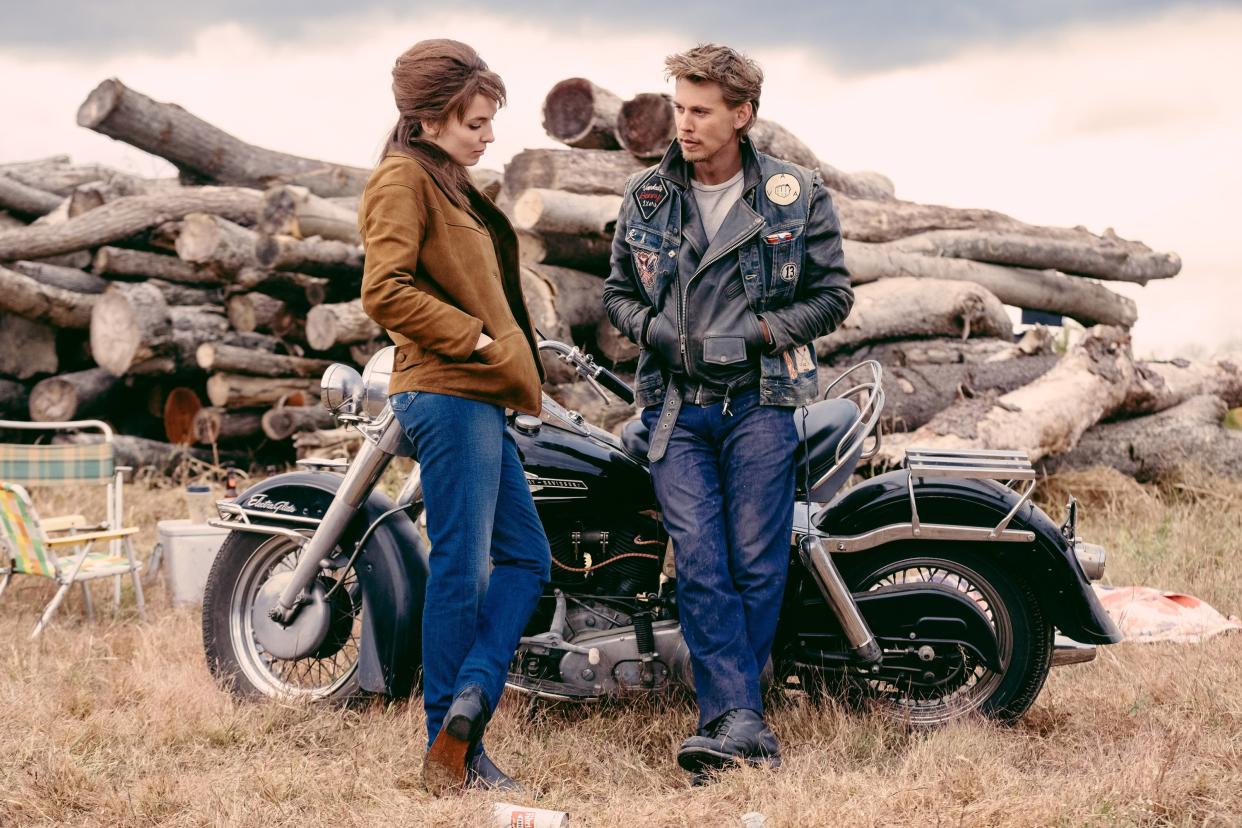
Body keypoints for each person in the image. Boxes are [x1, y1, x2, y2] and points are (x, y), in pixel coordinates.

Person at [602, 43, 854, 780]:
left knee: (755, 562)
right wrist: (657, 334)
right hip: (675, 407)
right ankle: (738, 720)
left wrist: (760, 333)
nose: (684, 123)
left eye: (701, 110)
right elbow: (618, 294)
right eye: (679, 108)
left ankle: (735, 714)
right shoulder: (645, 196)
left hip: (763, 402)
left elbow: (833, 295)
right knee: (702, 561)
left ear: (741, 115)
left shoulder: (795, 194)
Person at [358, 39, 550, 795]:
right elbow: (385, 289)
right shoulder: (402, 179)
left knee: (527, 558)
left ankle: (469, 702)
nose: (488, 134)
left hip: (481, 394)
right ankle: (453, 746)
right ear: (430, 118)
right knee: (463, 567)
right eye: (475, 120)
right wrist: (468, 335)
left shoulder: (449, 180)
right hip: (447, 389)